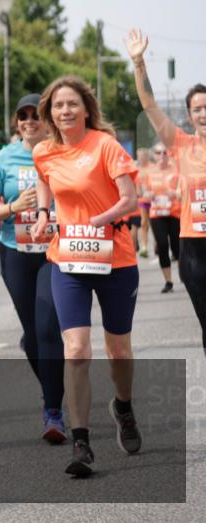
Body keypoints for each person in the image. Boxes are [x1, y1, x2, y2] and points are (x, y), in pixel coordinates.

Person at [30, 75, 141, 477]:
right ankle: (82, 444)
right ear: (50, 113)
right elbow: (45, 182)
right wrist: (44, 214)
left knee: (119, 351)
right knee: (75, 348)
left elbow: (129, 199)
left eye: (72, 104)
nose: (65, 111)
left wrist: (101, 218)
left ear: (85, 108)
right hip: (68, 259)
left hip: (115, 256)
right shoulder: (44, 151)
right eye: (58, 105)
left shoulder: (105, 145)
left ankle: (123, 407)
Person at [0, 94, 67, 444]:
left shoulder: (62, 152)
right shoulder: (3, 158)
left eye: (36, 116)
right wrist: (14, 205)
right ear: (16, 123)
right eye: (23, 116)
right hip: (16, 252)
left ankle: (54, 410)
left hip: (54, 251)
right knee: (33, 335)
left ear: (47, 120)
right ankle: (52, 387)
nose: (30, 122)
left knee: (47, 328)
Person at [128, 28, 206, 357]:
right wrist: (139, 63)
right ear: (189, 115)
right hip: (194, 250)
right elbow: (148, 104)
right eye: (198, 109)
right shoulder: (181, 145)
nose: (204, 113)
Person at [144, 145, 182, 293]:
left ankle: (183, 275)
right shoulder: (150, 173)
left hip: (174, 213)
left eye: (165, 152)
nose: (162, 155)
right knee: (162, 246)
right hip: (157, 213)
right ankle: (168, 281)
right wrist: (149, 195)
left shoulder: (176, 171)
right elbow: (145, 192)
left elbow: (181, 191)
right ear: (154, 155)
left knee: (177, 247)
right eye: (158, 152)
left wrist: (174, 193)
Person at [135, 148, 152, 257]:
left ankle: (156, 244)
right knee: (144, 222)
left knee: (153, 223)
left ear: (147, 157)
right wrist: (138, 191)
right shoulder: (136, 169)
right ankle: (144, 246)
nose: (141, 158)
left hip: (153, 199)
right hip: (142, 199)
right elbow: (135, 182)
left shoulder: (152, 168)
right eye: (139, 156)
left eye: (143, 156)